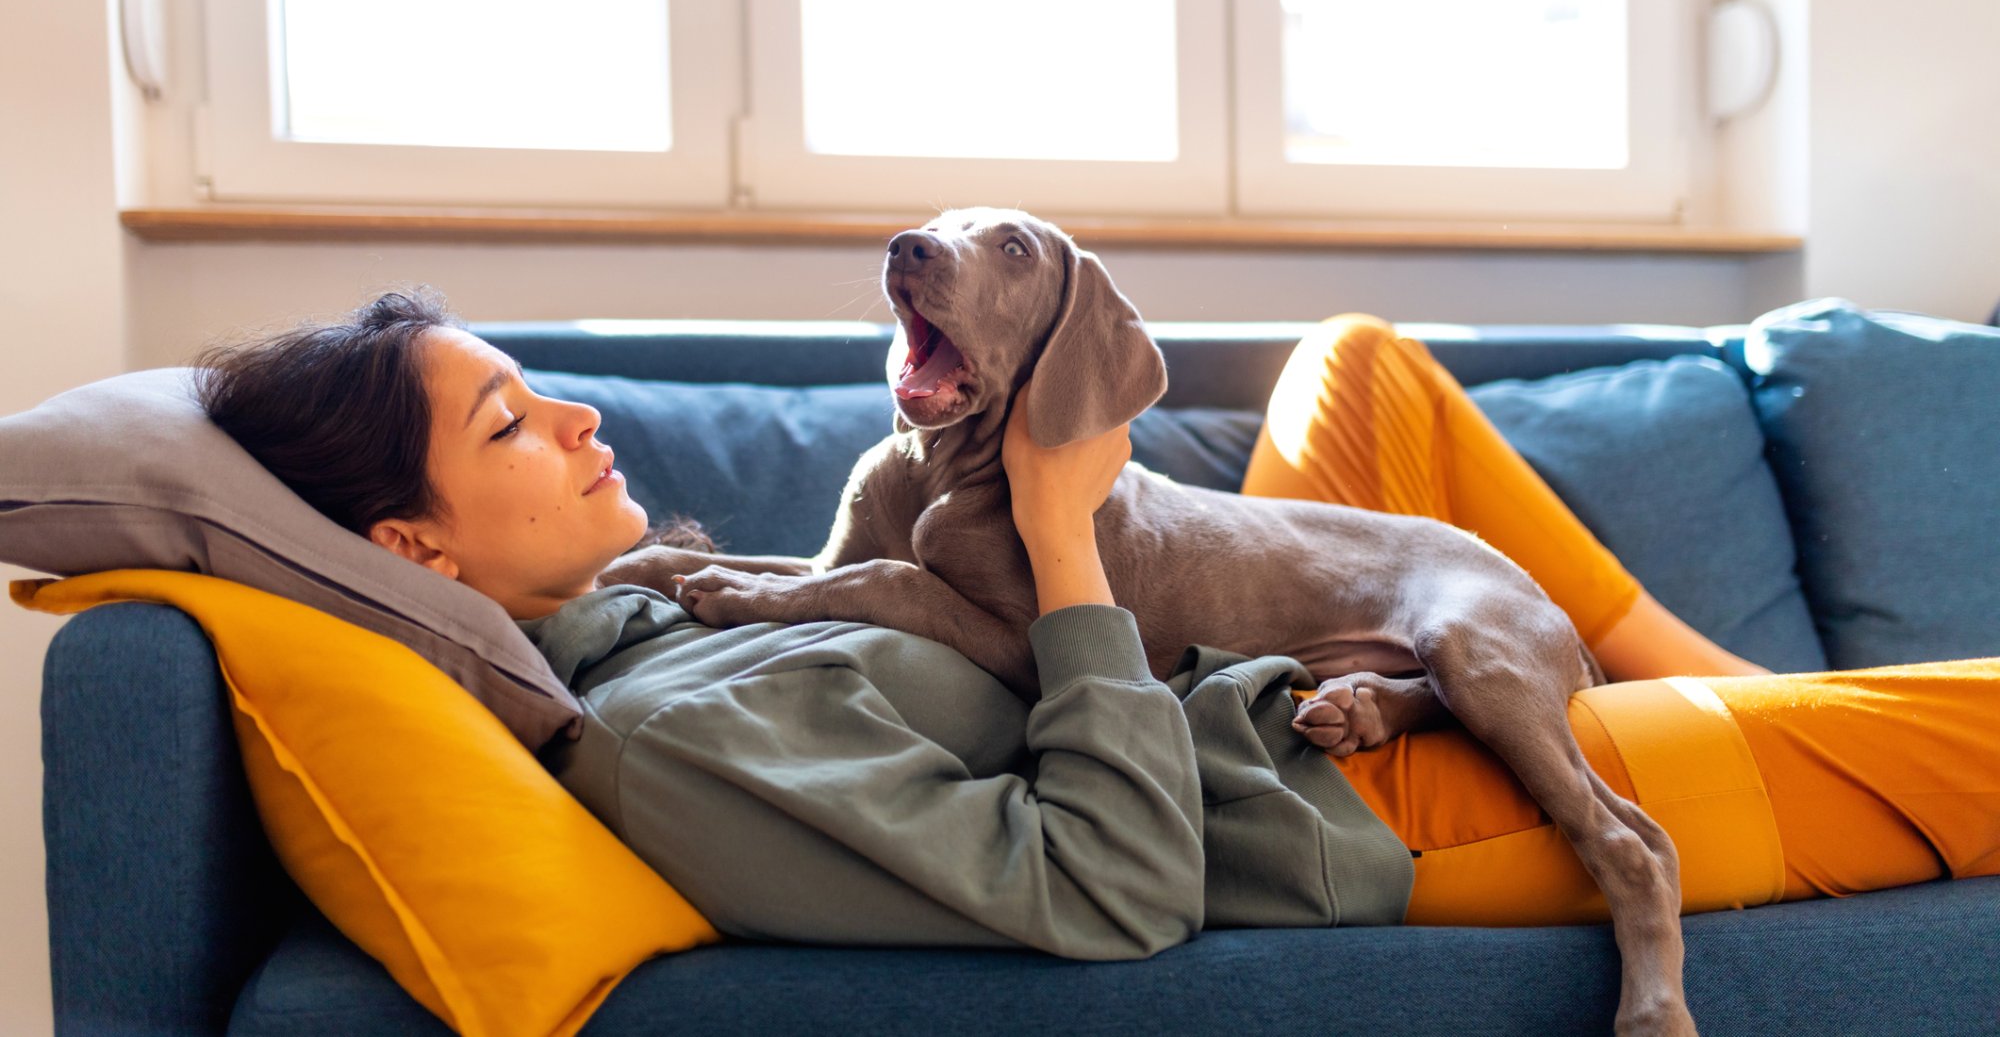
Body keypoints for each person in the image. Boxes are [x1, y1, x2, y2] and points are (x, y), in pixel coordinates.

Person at [193, 288, 2000, 954]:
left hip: (1237, 629)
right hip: (1342, 771)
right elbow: (1109, 886)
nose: (578, 416)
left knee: (1359, 366)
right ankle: (1784, 722)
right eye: (511, 424)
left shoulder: (654, 623)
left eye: (540, 387)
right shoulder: (673, 742)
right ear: (412, 549)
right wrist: (1064, 542)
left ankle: (1777, 691)